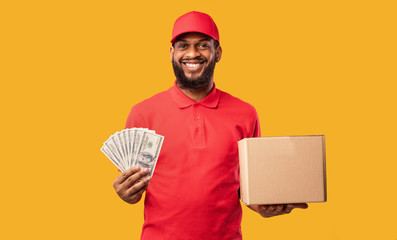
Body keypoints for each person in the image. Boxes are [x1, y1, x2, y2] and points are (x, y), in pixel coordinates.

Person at [112, 11, 308, 240]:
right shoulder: (143, 113)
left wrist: (263, 206)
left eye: (203, 45)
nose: (192, 53)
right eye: (183, 45)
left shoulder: (245, 113)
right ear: (172, 53)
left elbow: (248, 187)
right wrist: (126, 194)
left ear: (218, 52)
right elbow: (133, 189)